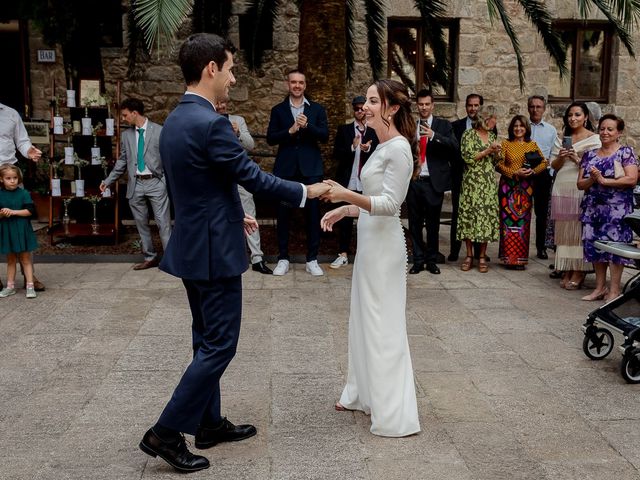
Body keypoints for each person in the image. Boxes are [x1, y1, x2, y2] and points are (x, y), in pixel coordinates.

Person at [138, 33, 328, 473]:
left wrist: (228, 213)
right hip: (213, 252)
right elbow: (253, 179)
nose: (233, 77)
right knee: (220, 344)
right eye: (230, 68)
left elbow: (199, 185)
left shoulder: (174, 121)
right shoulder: (210, 123)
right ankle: (165, 432)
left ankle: (208, 423)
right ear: (211, 69)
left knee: (205, 338)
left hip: (192, 242)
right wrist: (307, 190)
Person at [320, 79, 420, 437]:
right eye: (367, 100)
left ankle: (393, 410)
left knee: (382, 324)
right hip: (369, 244)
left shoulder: (400, 150)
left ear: (391, 108)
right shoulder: (379, 145)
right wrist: (345, 209)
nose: (366, 105)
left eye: (374, 101)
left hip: (385, 249)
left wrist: (346, 193)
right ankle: (362, 392)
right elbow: (371, 199)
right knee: (363, 318)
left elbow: (390, 206)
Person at [267, 69, 329, 276]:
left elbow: (325, 136)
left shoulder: (317, 109)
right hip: (286, 171)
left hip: (310, 171)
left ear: (305, 85)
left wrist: (307, 126)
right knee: (283, 215)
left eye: (300, 83)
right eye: (293, 82)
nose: (297, 86)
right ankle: (283, 258)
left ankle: (312, 259)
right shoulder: (278, 110)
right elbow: (271, 138)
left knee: (312, 216)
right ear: (288, 84)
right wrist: (290, 131)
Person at [100, 98, 172, 270]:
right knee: (141, 223)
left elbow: (169, 159)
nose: (123, 119)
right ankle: (150, 257)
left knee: (164, 223)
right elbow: (122, 161)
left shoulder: (160, 131)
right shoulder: (126, 135)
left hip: (156, 182)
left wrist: (168, 182)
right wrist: (108, 181)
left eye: (125, 115)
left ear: (134, 113)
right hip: (136, 184)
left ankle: (170, 260)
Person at [578, 114, 638, 302]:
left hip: (617, 210)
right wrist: (592, 179)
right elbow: (580, 184)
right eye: (602, 128)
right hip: (593, 208)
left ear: (618, 132)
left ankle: (614, 290)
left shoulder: (625, 153)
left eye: (610, 129)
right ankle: (599, 288)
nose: (605, 132)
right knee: (596, 247)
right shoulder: (589, 155)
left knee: (615, 249)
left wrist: (605, 181)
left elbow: (631, 179)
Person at [216, 100, 272, 274]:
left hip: (239, 173)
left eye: (223, 103)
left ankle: (257, 258)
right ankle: (223, 257)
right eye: (218, 103)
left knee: (249, 212)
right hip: (216, 175)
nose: (221, 105)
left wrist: (238, 132)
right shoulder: (206, 120)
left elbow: (250, 145)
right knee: (219, 215)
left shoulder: (238, 120)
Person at [549, 102, 600, 290]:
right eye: (570, 115)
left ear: (585, 117)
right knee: (564, 232)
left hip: (580, 187)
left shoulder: (595, 139)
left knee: (578, 231)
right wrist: (562, 156)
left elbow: (596, 167)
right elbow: (553, 166)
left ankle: (579, 271)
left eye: (577, 114)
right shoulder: (563, 137)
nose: (573, 118)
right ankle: (567, 268)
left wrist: (577, 159)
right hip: (561, 185)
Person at [406, 89, 458, 275]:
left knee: (433, 224)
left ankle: (432, 260)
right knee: (414, 223)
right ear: (417, 106)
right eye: (421, 104)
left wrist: (434, 136)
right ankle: (418, 260)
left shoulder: (443, 126)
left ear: (433, 105)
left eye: (427, 104)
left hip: (433, 182)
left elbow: (454, 147)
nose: (424, 107)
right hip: (414, 181)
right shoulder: (411, 126)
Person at [0, 102, 45, 291]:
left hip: (10, 173)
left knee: (20, 224)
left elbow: (22, 140)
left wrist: (29, 150)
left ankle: (29, 275)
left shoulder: (10, 113)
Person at [330, 95, 378, 268]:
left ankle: (365, 256)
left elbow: (380, 158)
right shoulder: (345, 130)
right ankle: (342, 253)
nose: (360, 111)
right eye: (356, 109)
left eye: (362, 108)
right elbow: (336, 155)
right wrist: (352, 147)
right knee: (345, 219)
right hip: (348, 182)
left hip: (366, 184)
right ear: (353, 110)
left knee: (367, 219)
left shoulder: (373, 131)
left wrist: (367, 149)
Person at [496, 115, 548, 268]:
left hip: (526, 189)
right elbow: (498, 164)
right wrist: (514, 173)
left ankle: (520, 259)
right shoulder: (506, 144)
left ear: (526, 128)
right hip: (508, 187)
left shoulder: (531, 145)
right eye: (515, 126)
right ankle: (508, 257)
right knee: (507, 223)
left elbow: (544, 163)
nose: (518, 129)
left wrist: (532, 172)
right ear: (512, 128)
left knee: (523, 223)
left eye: (522, 126)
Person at [457, 105, 501, 273]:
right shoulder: (468, 135)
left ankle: (482, 256)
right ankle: (468, 255)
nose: (494, 122)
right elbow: (467, 157)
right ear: (485, 118)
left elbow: (496, 162)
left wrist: (496, 153)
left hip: (488, 183)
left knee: (485, 218)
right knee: (469, 217)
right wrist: (487, 150)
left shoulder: (492, 136)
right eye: (493, 118)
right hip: (471, 183)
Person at [450, 94, 494, 262]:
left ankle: (478, 253)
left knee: (479, 213)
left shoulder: (490, 128)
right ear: (466, 106)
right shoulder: (456, 126)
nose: (473, 108)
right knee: (458, 213)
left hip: (481, 179)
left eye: (476, 105)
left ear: (480, 107)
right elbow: (454, 152)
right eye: (470, 105)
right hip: (460, 176)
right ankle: (455, 251)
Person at [0, 164, 38, 298]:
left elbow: (30, 211)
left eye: (15, 178)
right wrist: (2, 213)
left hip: (22, 229)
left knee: (25, 259)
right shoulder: (0, 194)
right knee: (10, 260)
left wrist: (13, 212)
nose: (12, 181)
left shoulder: (24, 193)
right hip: (8, 230)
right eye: (8, 178)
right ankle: (10, 286)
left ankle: (30, 286)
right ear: (1, 179)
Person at [528, 95, 558, 260]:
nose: (535, 109)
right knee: (521, 212)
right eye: (532, 106)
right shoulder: (522, 126)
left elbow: (554, 152)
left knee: (541, 213)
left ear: (544, 109)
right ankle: (520, 246)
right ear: (528, 108)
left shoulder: (551, 130)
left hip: (542, 174)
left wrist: (550, 173)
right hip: (524, 174)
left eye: (539, 107)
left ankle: (541, 248)